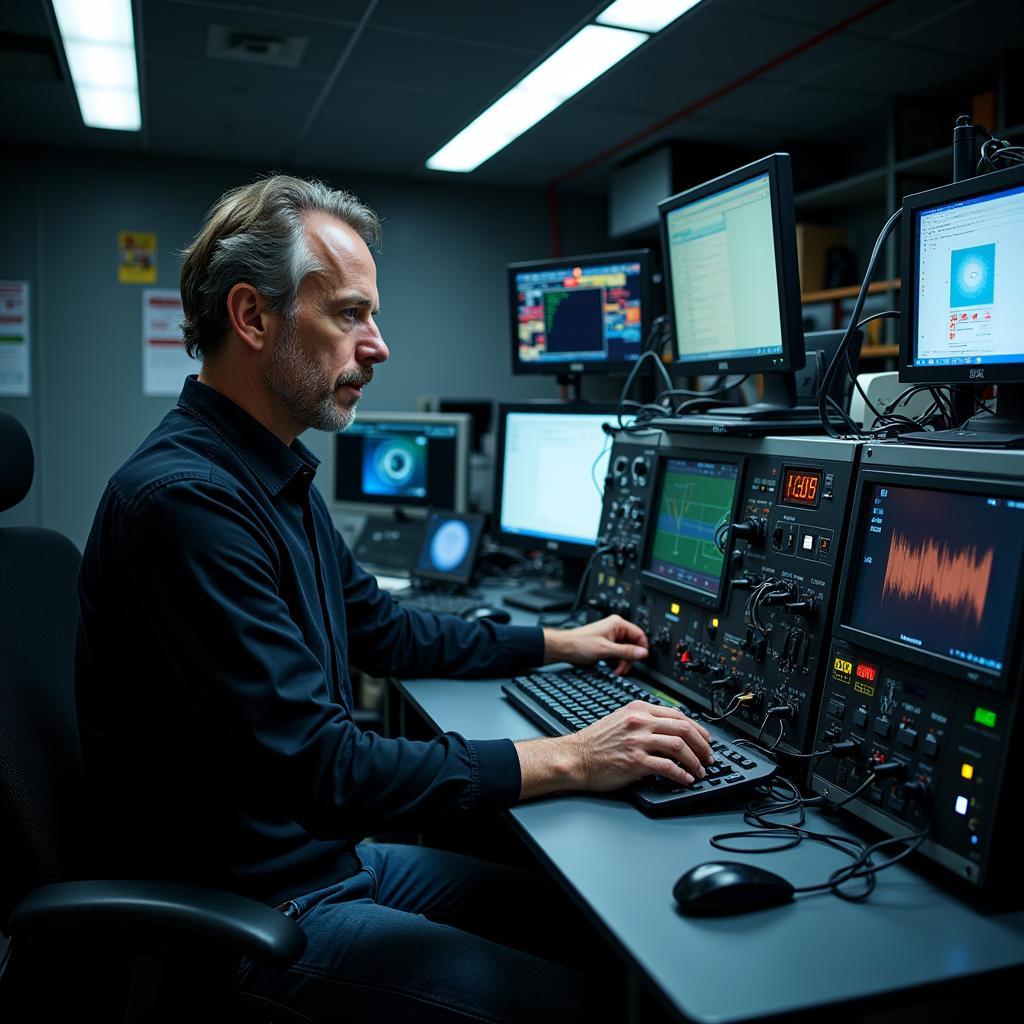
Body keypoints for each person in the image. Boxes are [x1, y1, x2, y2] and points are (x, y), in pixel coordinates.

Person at [76, 175, 714, 1022]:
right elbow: (327, 770)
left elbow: (383, 629)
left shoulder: (271, 471)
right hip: (249, 912)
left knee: (587, 928)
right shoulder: (185, 503)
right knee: (582, 1008)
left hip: (321, 864)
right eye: (349, 314)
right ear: (253, 317)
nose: (377, 345)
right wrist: (573, 757)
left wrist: (561, 642)